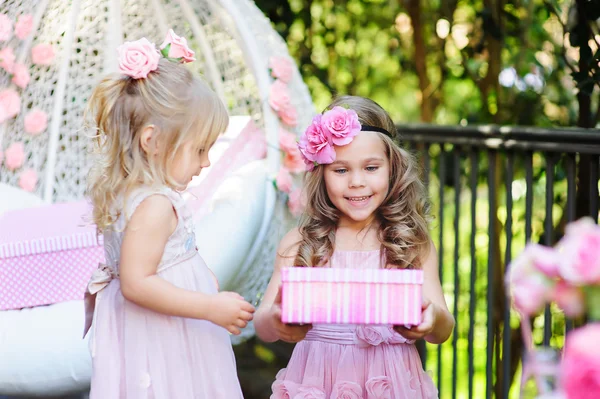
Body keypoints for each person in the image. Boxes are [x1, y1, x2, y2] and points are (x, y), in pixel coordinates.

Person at [83, 31, 254, 398]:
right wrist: (209, 305)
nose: (206, 162)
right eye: (200, 149)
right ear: (153, 141)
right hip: (164, 333)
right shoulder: (155, 204)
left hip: (156, 328)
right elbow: (137, 282)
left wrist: (199, 273)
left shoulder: (133, 194)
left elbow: (167, 260)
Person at [254, 96, 454, 398]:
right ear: (321, 173)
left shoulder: (411, 243)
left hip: (391, 384)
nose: (357, 182)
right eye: (341, 170)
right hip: (317, 383)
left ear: (392, 168)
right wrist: (276, 321)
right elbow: (262, 323)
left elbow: (444, 329)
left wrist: (432, 319)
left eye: (371, 167)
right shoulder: (300, 243)